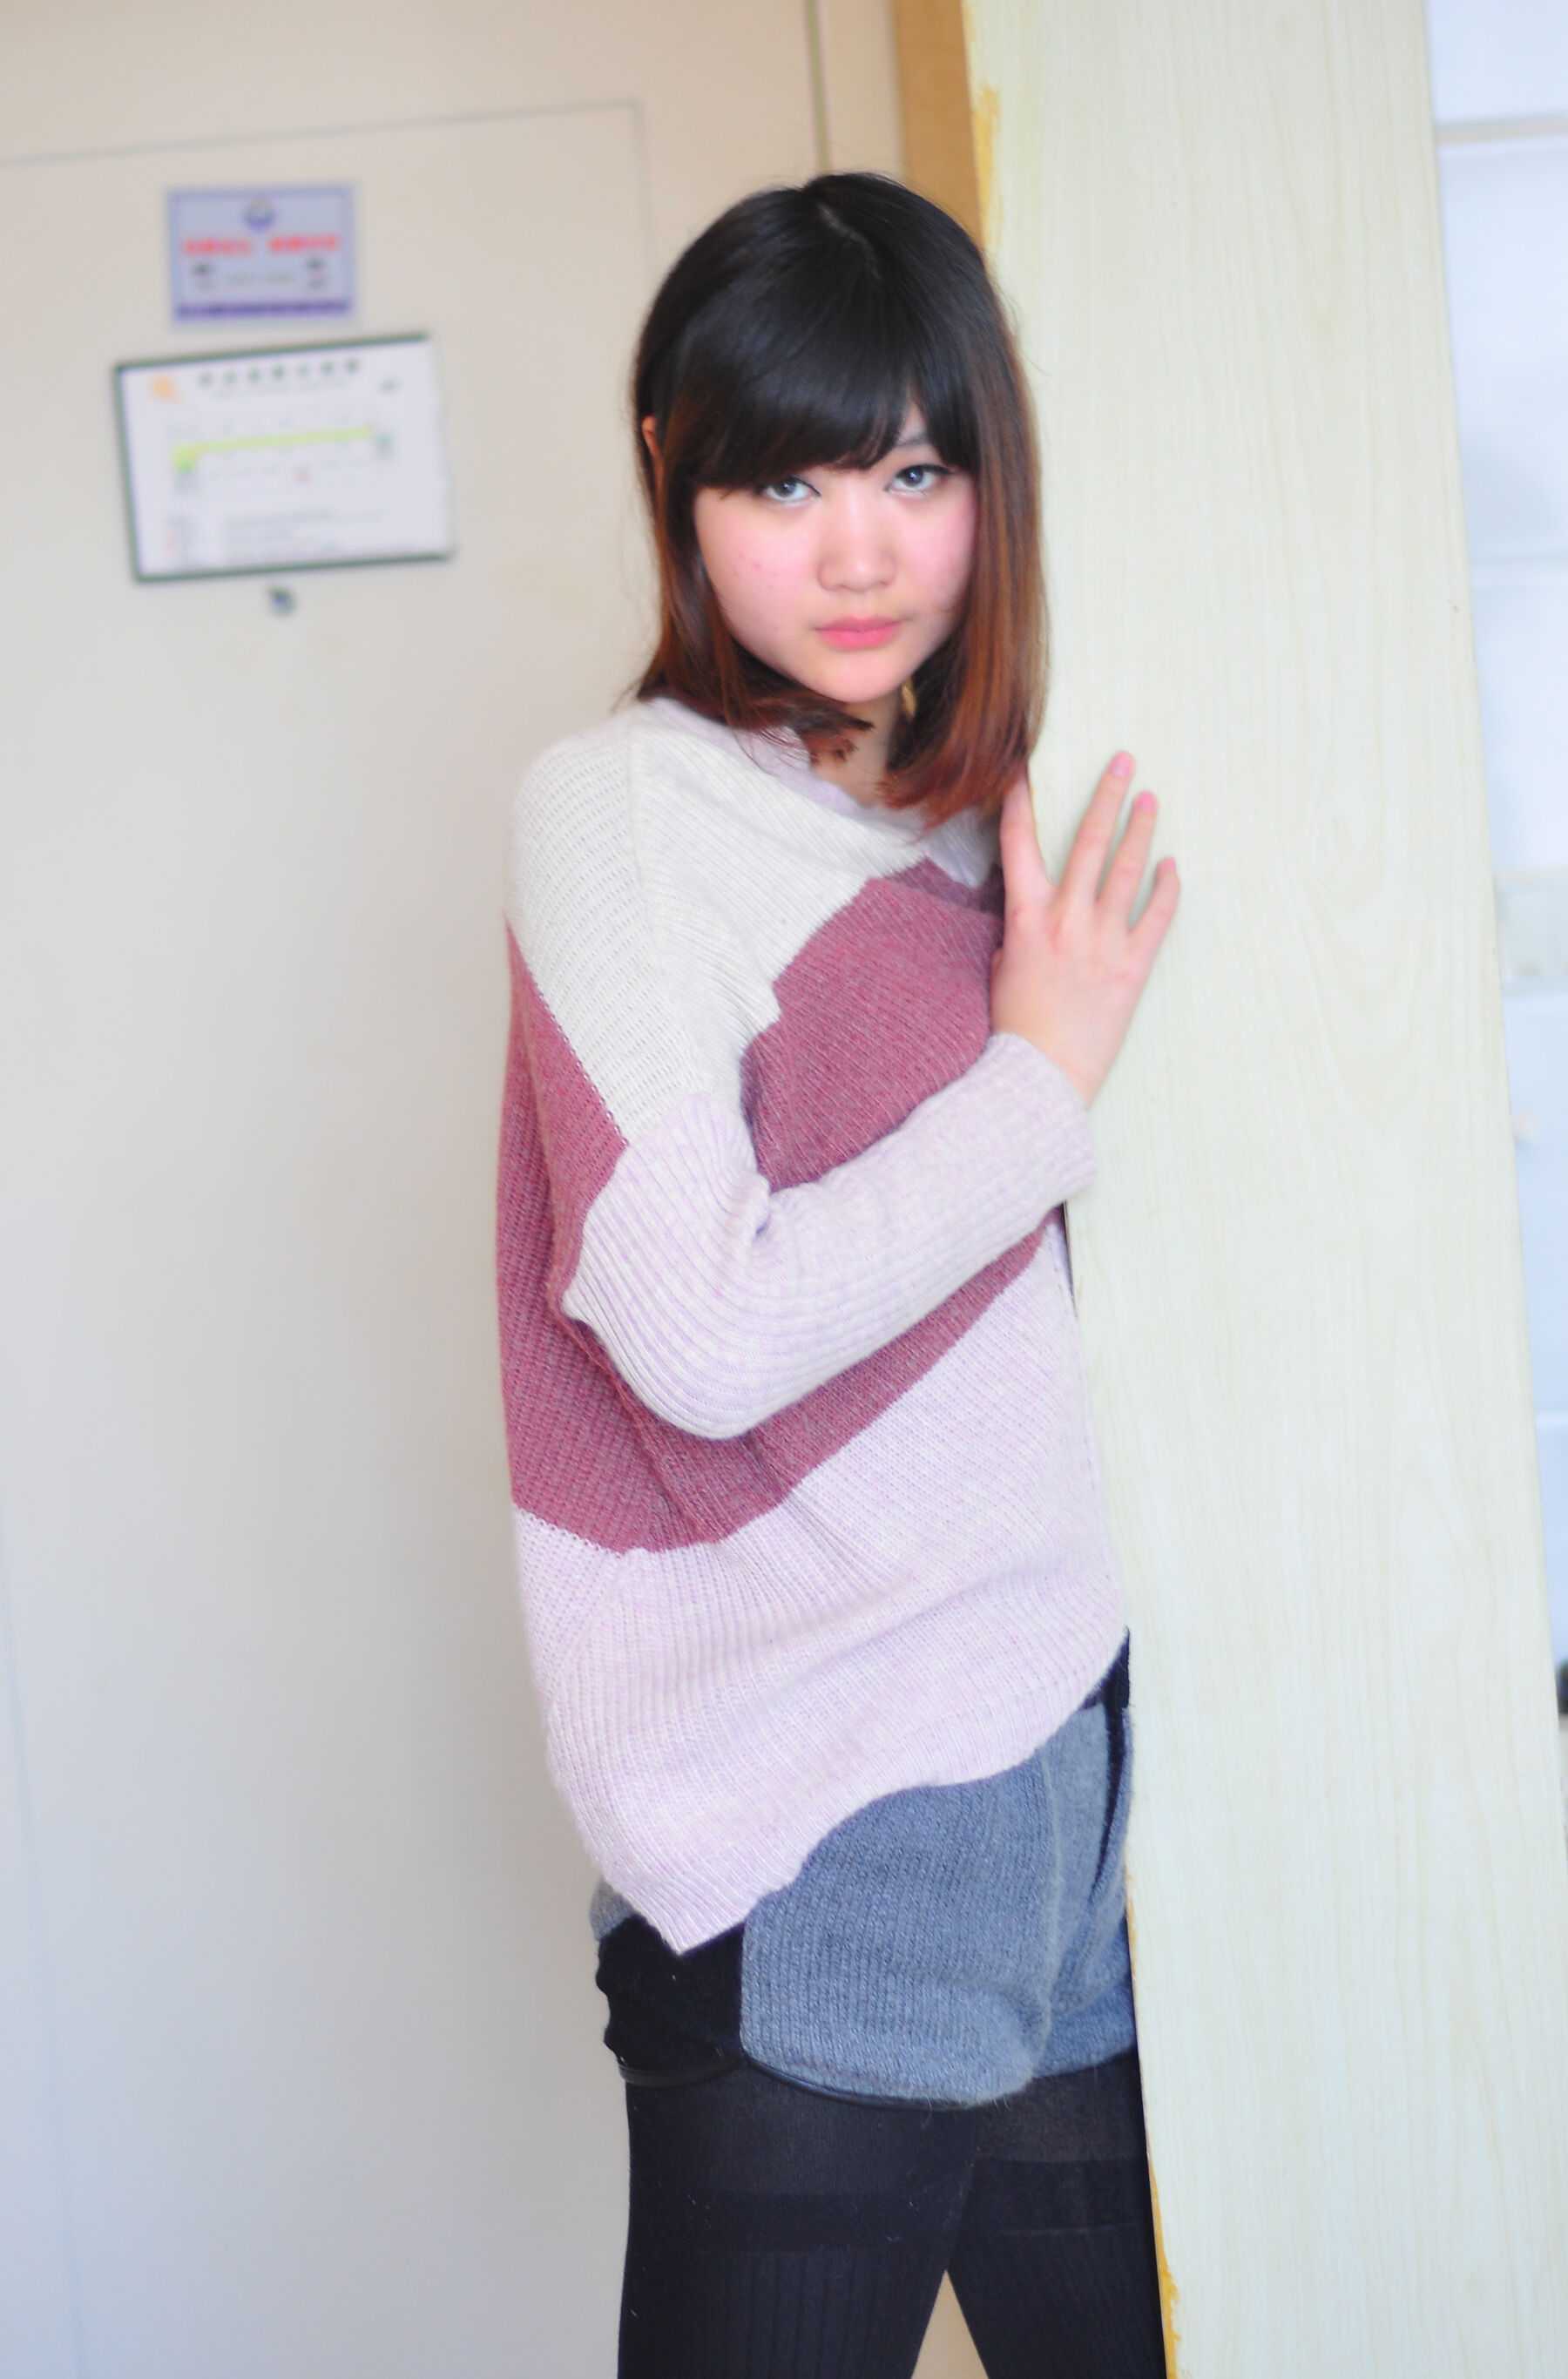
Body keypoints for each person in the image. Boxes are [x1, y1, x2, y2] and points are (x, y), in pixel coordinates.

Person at [494, 169, 1180, 2379]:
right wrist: (1038, 1077)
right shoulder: (625, 811)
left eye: (913, 471)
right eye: (784, 483)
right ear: (671, 480)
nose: (861, 552)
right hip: (828, 1810)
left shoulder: (992, 815)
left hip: (1060, 1774)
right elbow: (697, 1330)